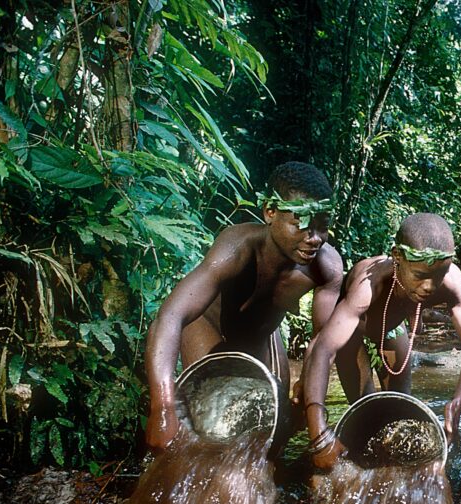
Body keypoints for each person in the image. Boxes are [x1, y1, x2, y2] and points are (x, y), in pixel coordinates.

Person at [145, 161, 345, 452]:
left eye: (322, 228)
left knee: (278, 431)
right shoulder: (236, 249)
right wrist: (162, 407)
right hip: (210, 329)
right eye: (300, 225)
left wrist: (306, 385)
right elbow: (171, 315)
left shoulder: (326, 268)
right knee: (209, 427)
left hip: (263, 336)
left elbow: (322, 340)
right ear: (270, 212)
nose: (313, 239)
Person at [303, 213, 461, 468]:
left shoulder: (451, 281)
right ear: (397, 257)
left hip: (390, 329)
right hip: (352, 336)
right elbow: (324, 349)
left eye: (439, 275)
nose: (430, 287)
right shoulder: (370, 282)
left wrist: (457, 403)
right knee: (366, 412)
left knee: (402, 414)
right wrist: (319, 435)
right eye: (420, 275)